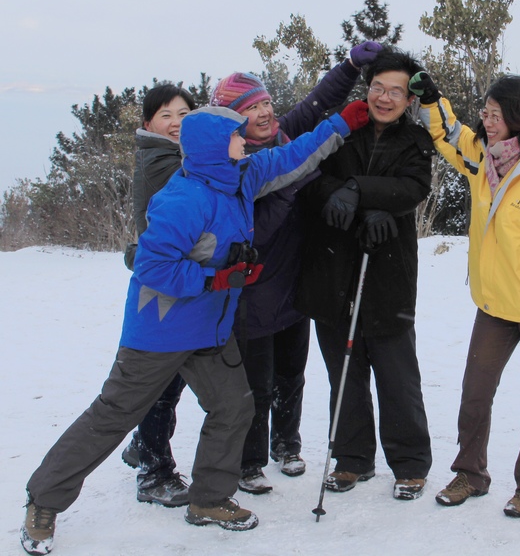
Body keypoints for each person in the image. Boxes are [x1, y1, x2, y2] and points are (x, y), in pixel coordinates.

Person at [20, 104, 367, 555]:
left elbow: (292, 157)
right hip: (160, 331)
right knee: (112, 416)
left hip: (210, 328)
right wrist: (213, 278)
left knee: (234, 406)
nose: (247, 140)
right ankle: (44, 499)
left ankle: (209, 500)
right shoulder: (183, 199)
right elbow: (150, 266)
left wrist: (341, 123)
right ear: (213, 146)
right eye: (238, 135)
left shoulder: (241, 177)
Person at [411, 72, 520, 518]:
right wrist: (433, 101)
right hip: (493, 303)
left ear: (519, 116)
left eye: (496, 114)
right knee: (475, 391)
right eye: (485, 114)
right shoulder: (482, 159)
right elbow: (449, 133)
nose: (488, 122)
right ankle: (470, 474)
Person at [208, 41, 382, 495]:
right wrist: (292, 182)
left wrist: (348, 67)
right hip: (255, 289)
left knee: (292, 372)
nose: (265, 113)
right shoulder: (236, 164)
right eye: (252, 108)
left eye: (266, 102)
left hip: (294, 283)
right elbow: (253, 232)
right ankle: (248, 461)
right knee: (256, 383)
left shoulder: (284, 136)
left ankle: (287, 443)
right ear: (233, 119)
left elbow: (318, 105)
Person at [293, 47, 434, 501]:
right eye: (378, 87)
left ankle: (409, 462)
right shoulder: (341, 129)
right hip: (334, 265)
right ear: (366, 88)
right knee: (344, 369)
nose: (385, 98)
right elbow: (309, 176)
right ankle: (353, 458)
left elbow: (414, 187)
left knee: (396, 371)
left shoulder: (415, 141)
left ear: (409, 99)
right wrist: (340, 194)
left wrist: (364, 194)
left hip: (386, 267)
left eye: (396, 91)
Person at [119, 84, 196, 509]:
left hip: (179, 282)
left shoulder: (172, 156)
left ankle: (142, 445)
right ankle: (153, 471)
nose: (176, 123)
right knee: (162, 381)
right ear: (148, 124)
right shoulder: (162, 160)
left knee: (174, 376)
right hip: (165, 288)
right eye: (167, 115)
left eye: (185, 114)